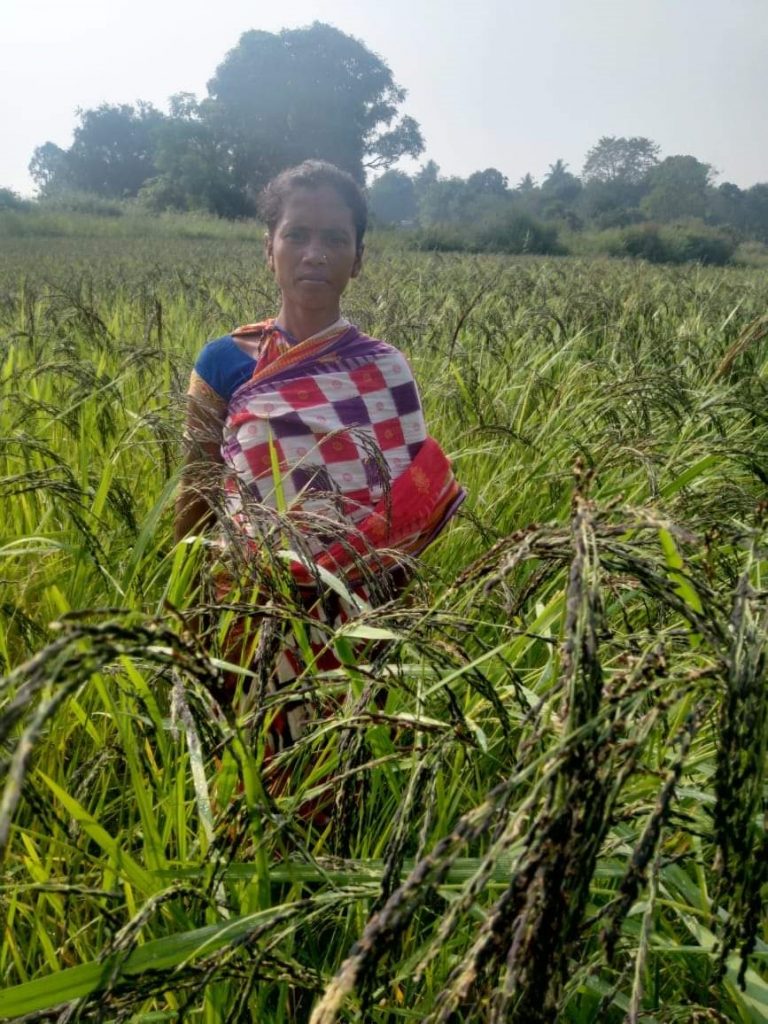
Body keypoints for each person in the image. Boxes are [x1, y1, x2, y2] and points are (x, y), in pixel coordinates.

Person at [175, 160, 464, 750]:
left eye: (336, 239)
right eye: (297, 235)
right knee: (241, 758)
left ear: (358, 258)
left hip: (357, 608)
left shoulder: (386, 369)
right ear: (270, 248)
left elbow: (409, 503)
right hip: (248, 602)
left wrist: (387, 607)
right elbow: (196, 491)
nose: (315, 253)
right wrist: (189, 605)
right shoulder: (223, 364)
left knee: (339, 760)